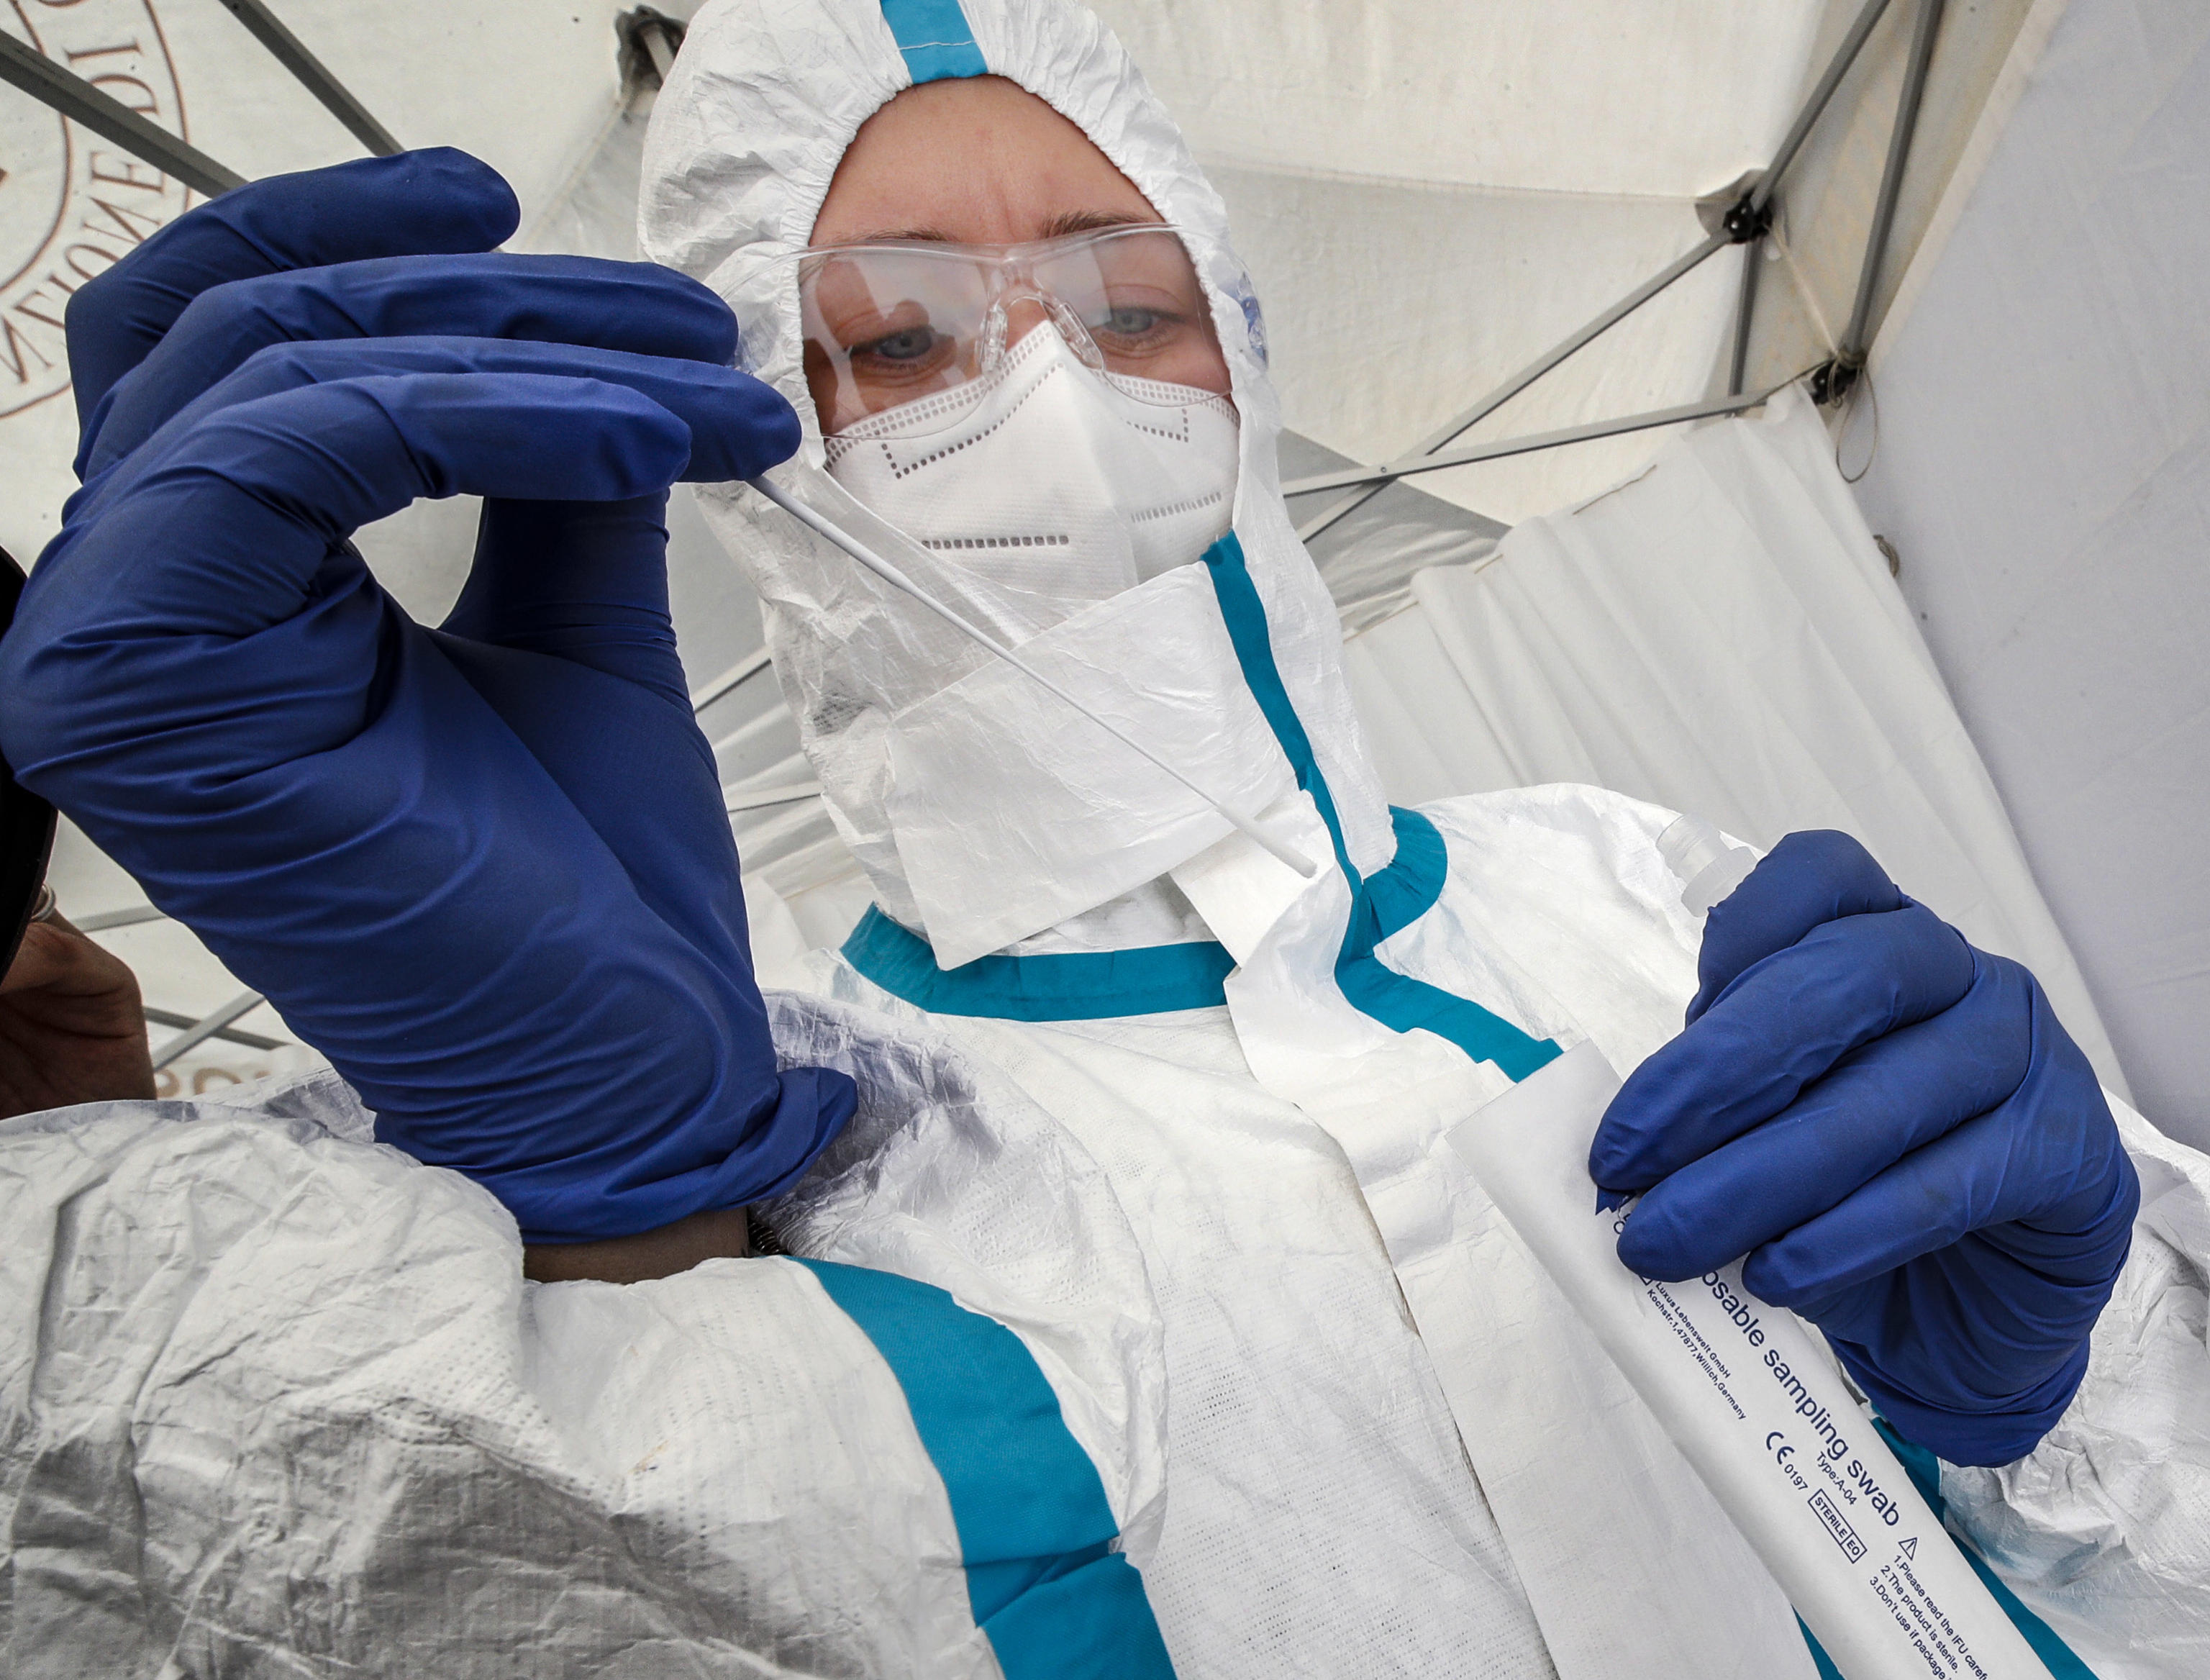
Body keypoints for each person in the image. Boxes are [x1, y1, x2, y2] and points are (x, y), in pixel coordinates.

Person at [0, 1, 2203, 1676]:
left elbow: (2140, 1542)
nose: (1055, 382)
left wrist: (2041, 1387)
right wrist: (617, 1240)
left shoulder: (1630, 883)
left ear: (1247, 355)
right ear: (765, 450)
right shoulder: (765, 1105)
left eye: (1134, 307)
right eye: (901, 343)